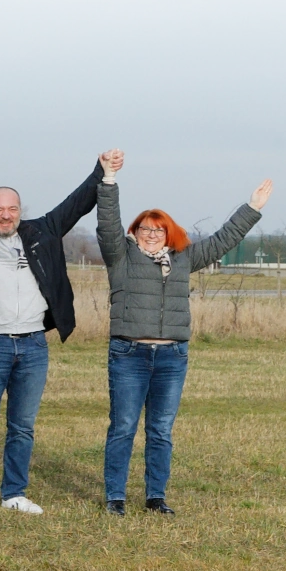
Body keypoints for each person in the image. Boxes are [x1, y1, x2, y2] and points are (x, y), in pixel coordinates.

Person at [0, 152, 110, 516]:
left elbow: (78, 203)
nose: (5, 215)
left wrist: (102, 171)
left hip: (32, 346)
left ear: (20, 211)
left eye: (12, 209)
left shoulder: (43, 231)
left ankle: (14, 493)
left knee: (23, 427)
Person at [95, 155, 267, 515]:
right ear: (135, 233)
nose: (153, 235)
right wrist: (109, 179)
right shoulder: (121, 257)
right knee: (124, 427)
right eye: (145, 229)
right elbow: (107, 223)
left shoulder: (184, 258)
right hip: (129, 355)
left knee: (160, 430)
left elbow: (223, 240)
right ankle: (115, 498)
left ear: (168, 233)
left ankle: (156, 497)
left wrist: (251, 208)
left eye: (159, 230)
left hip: (172, 357)